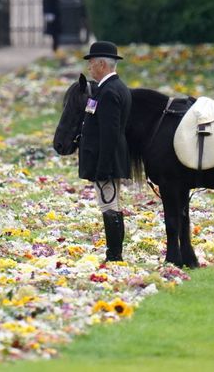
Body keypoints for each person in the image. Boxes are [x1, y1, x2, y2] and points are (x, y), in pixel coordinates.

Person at [77, 40, 131, 262]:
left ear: (101, 64)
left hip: (106, 162)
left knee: (109, 206)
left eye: (91, 63)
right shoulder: (112, 88)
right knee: (112, 205)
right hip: (107, 160)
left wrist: (103, 168)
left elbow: (109, 134)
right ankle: (114, 253)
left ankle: (114, 255)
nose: (89, 68)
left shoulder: (109, 92)